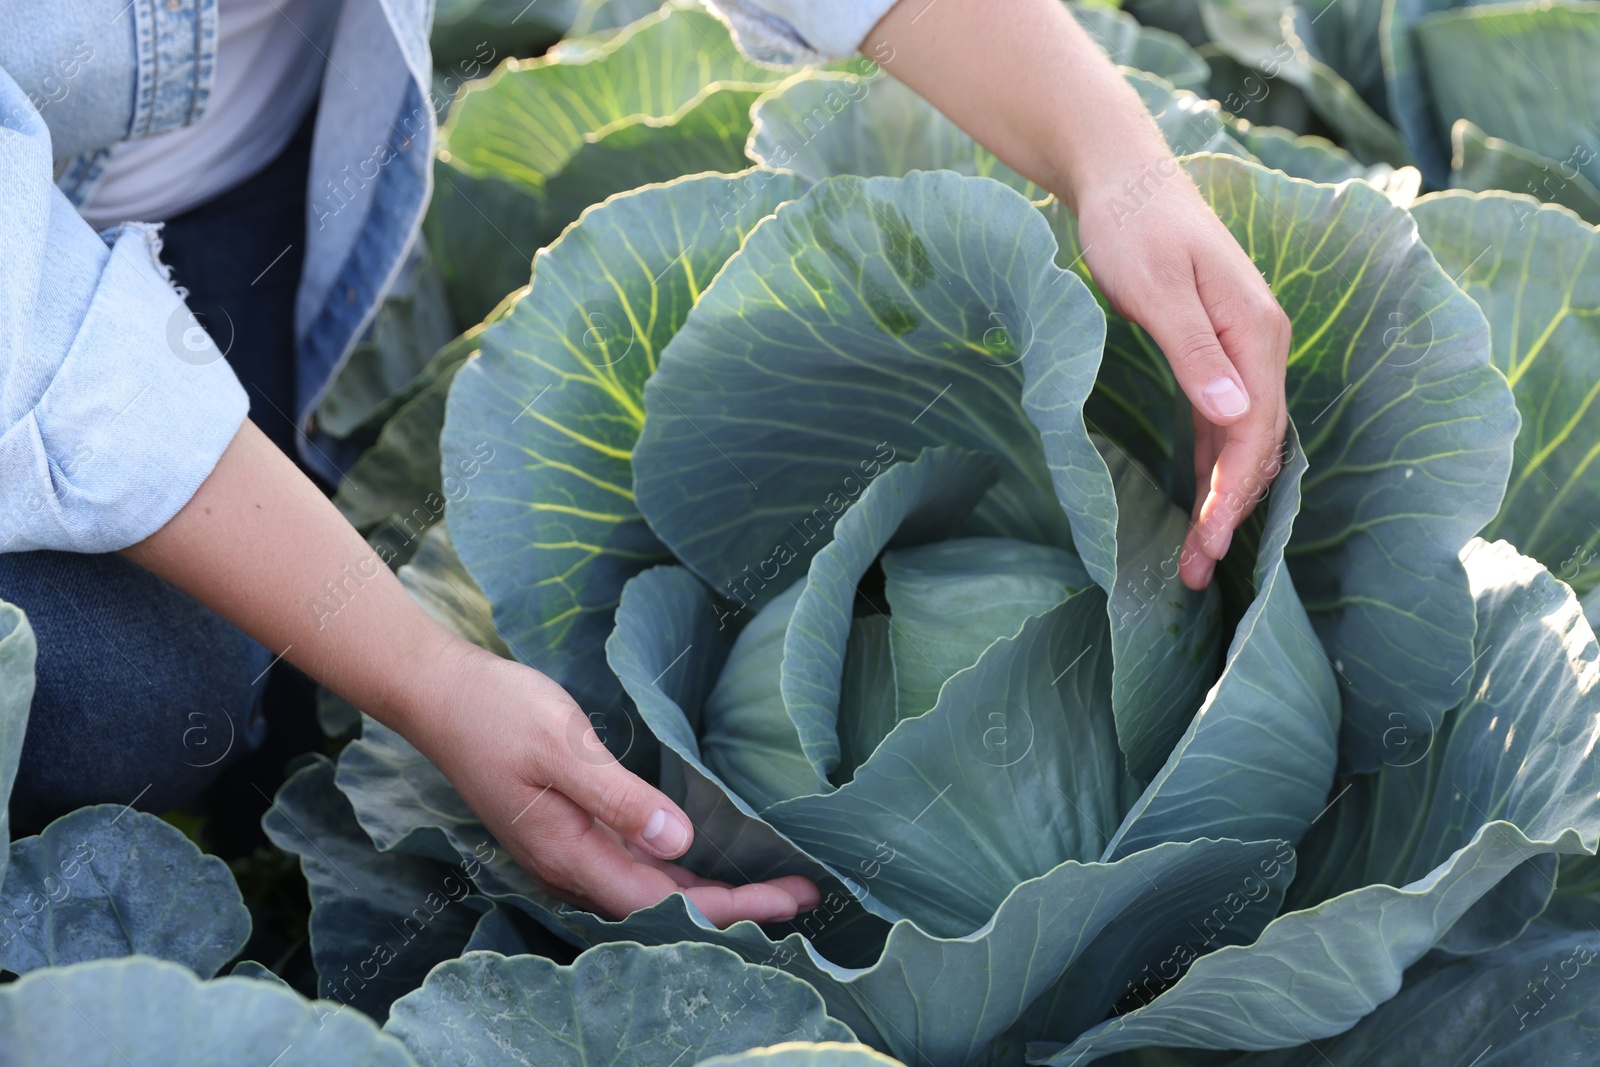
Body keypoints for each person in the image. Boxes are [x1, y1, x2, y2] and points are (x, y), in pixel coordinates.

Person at [0, 0, 1289, 927]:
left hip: (233, 164)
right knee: (160, 687)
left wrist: (1112, 159)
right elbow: (35, 333)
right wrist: (429, 677)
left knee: (270, 674)